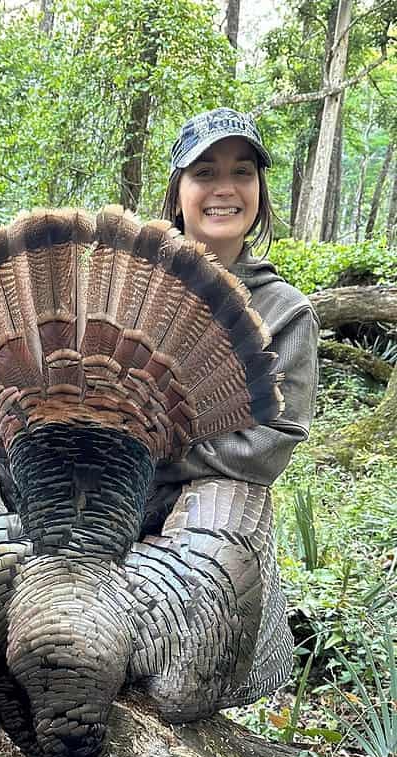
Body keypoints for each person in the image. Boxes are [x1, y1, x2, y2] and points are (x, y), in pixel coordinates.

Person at [139, 108, 320, 719]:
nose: (225, 188)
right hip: (106, 497)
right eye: (204, 171)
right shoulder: (131, 285)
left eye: (242, 171)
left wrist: (158, 448)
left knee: (172, 661)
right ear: (178, 190)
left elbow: (270, 444)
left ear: (260, 192)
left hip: (201, 514)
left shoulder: (284, 311)